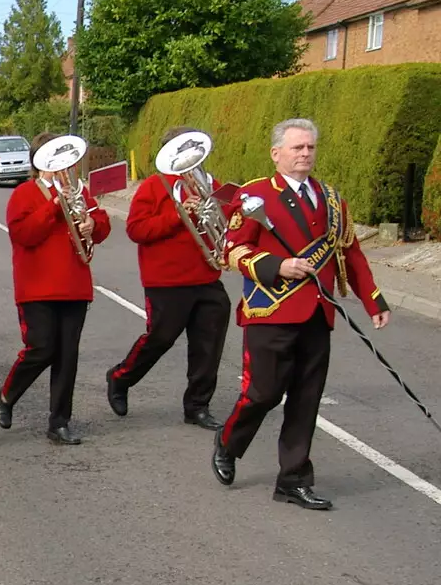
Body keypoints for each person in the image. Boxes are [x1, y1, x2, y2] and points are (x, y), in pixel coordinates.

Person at [212, 118, 389, 511]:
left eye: (310, 147)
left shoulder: (330, 197)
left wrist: (374, 300)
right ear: (277, 154)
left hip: (316, 312)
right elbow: (233, 251)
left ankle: (293, 479)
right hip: (270, 310)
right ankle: (228, 441)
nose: (305, 154)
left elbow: (350, 253)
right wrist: (278, 265)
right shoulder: (254, 195)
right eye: (297, 148)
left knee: (306, 399)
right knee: (263, 393)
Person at [106, 125, 230, 431]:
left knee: (208, 344)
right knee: (160, 338)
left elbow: (225, 218)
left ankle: (197, 406)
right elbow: (136, 229)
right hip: (166, 280)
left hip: (206, 275)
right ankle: (121, 377)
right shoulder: (153, 186)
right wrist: (178, 215)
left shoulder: (209, 182)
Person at [0, 133, 111, 445]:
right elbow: (23, 234)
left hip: (74, 285)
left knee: (67, 357)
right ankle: (8, 394)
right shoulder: (24, 193)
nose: (64, 167)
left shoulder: (79, 191)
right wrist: (54, 206)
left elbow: (100, 222)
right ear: (40, 164)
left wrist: (94, 225)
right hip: (36, 287)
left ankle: (59, 422)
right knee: (41, 349)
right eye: (56, 160)